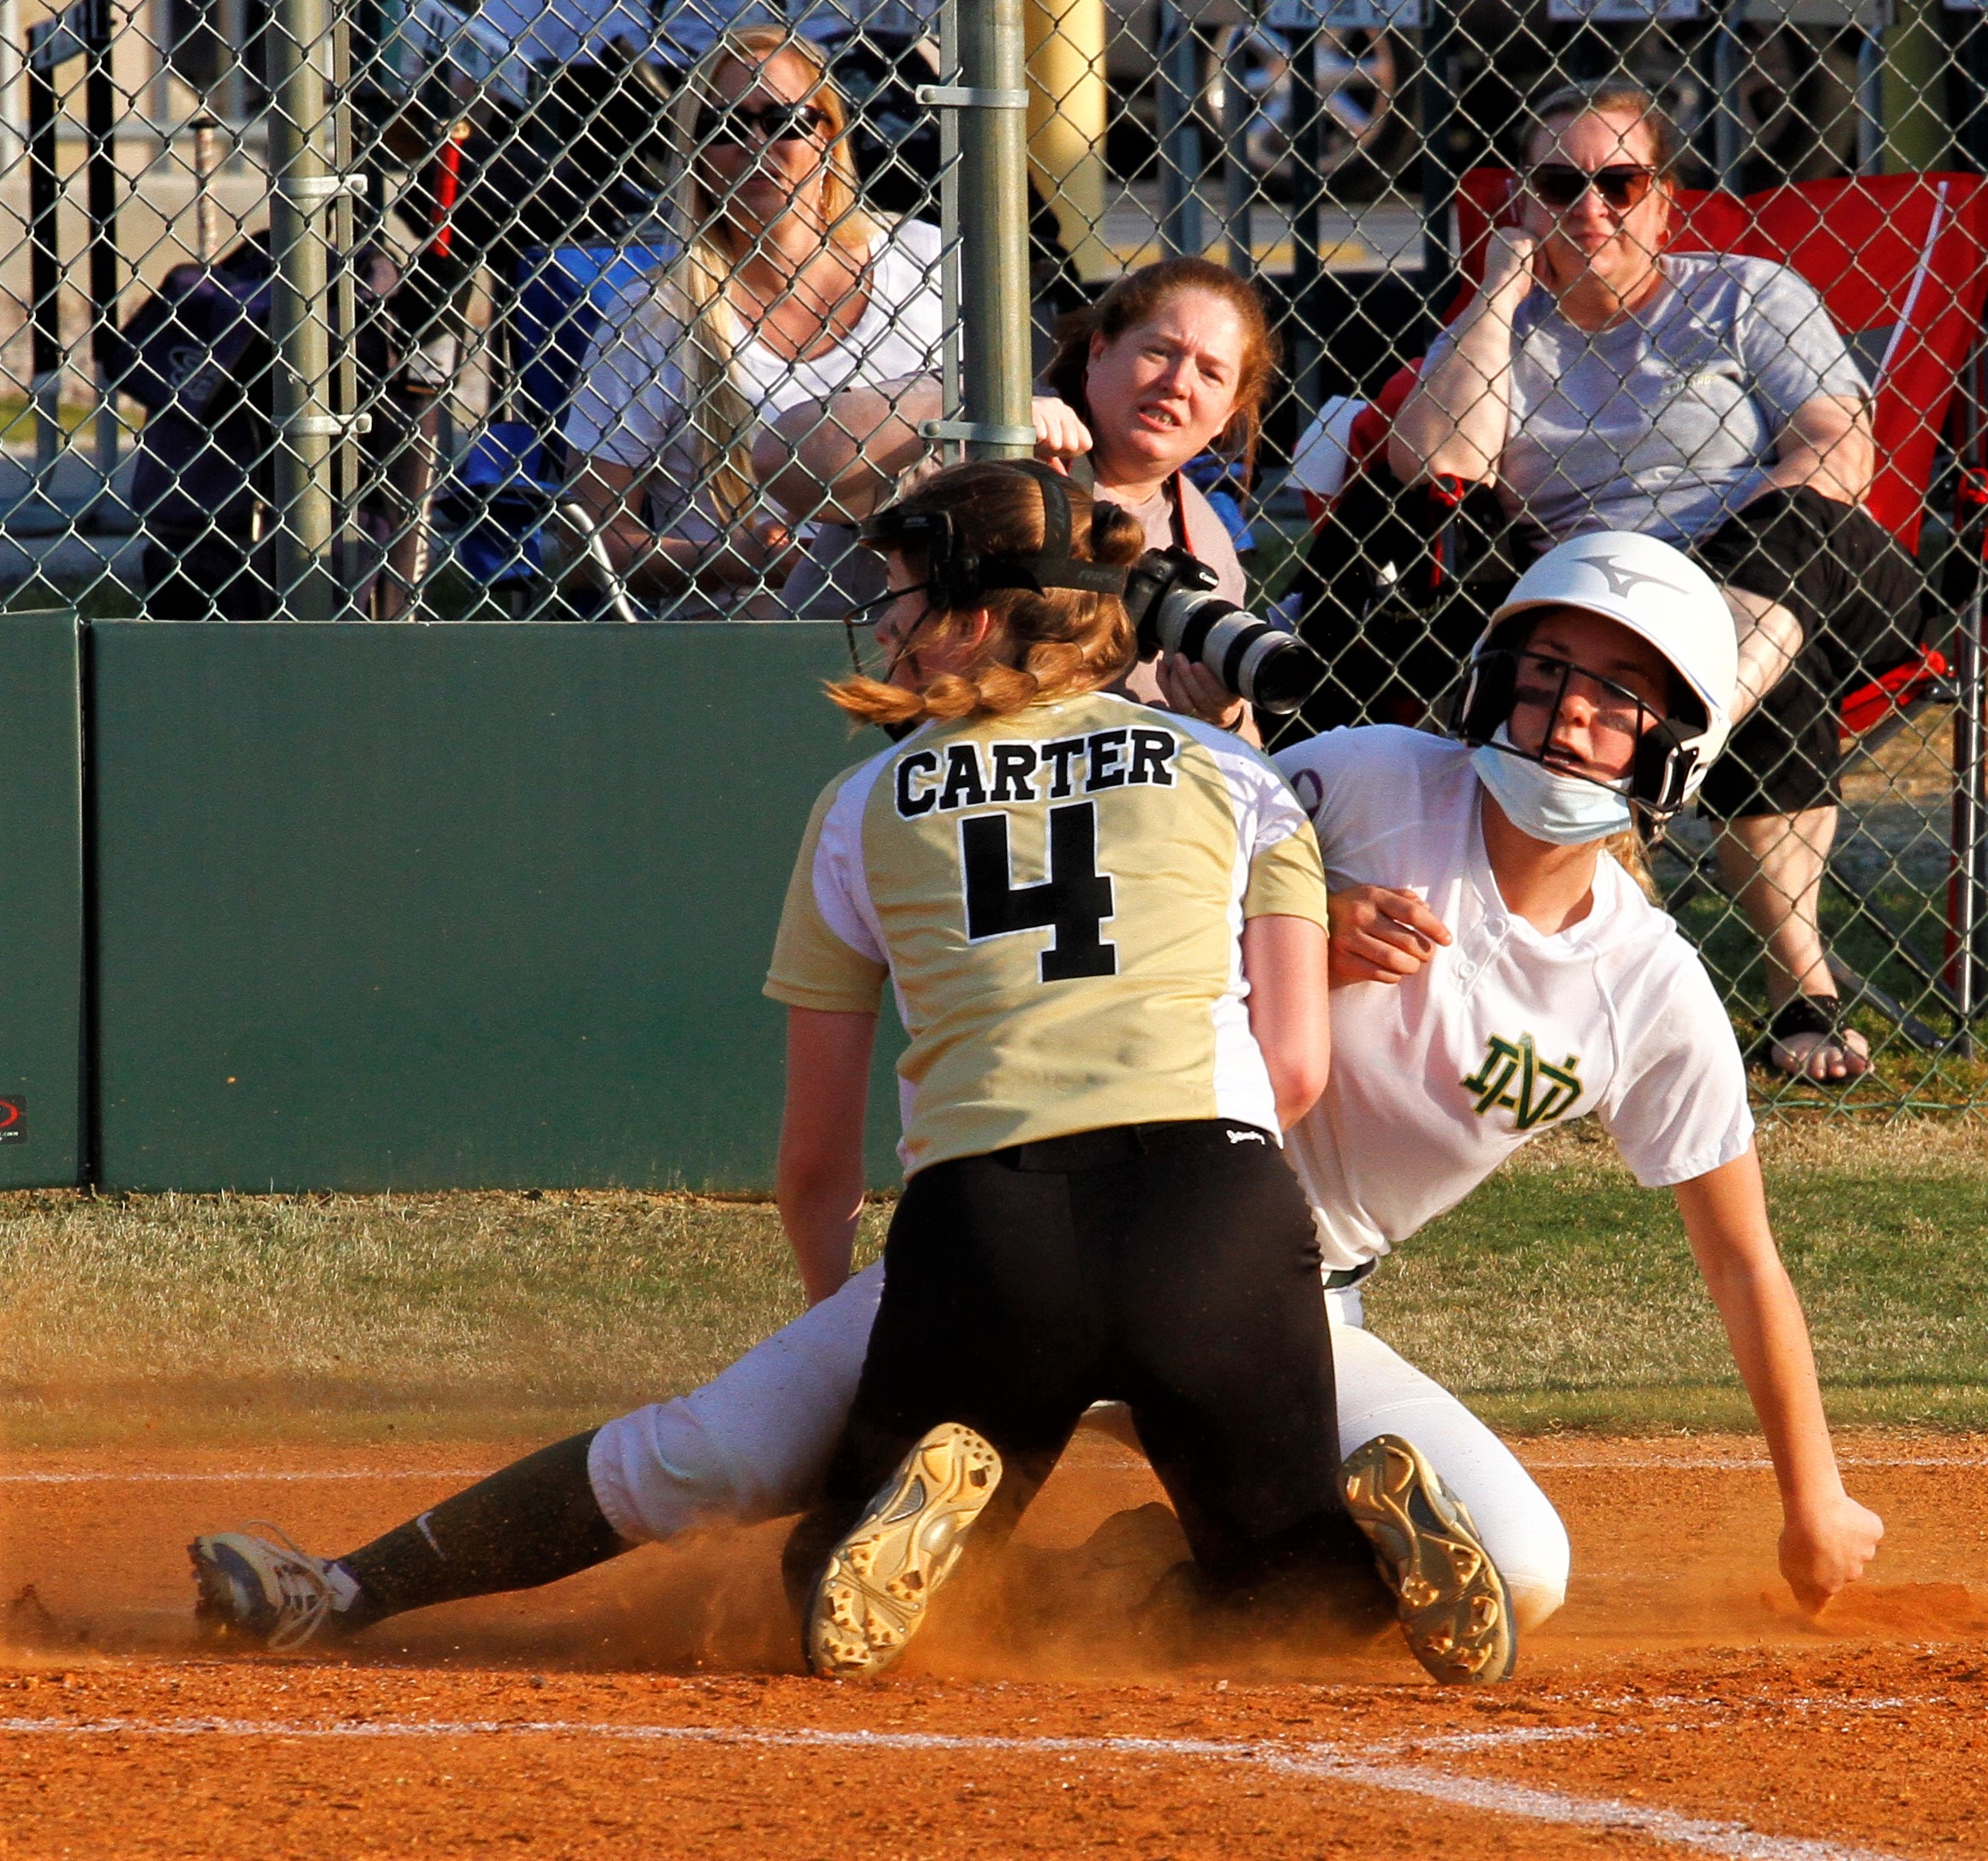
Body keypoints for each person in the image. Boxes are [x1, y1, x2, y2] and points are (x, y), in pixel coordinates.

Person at [189, 459, 1521, 1690]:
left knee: (824, 1583)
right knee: (1274, 1587)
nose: (884, 624)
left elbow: (816, 1156)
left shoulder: (864, 805)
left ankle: (832, 1528)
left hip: (988, 1219)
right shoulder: (1236, 775)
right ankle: (1345, 1547)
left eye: (901, 597)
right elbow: (1289, 1067)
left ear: (981, 615)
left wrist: (859, 1320)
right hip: (1213, 1204)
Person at [1273, 530, 1883, 1624]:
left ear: (1674, 748)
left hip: (1294, 1307)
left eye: (1615, 696)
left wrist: (1815, 1498)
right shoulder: (1366, 782)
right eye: (1545, 673)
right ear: (1495, 683)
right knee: (854, 1425)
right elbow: (1134, 905)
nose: (1566, 715)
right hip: (1108, 1209)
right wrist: (1290, 923)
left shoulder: (1645, 983)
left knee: (1516, 1574)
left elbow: (1742, 1261)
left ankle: (1174, 1556)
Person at [1385, 77, 1925, 1085]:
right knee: (1779, 664)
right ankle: (1796, 988)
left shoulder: (1743, 294)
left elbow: (1836, 448)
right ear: (1524, 203)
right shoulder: (1503, 334)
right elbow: (1437, 464)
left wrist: (1707, 592)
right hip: (1603, 608)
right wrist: (1501, 289)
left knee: (1789, 557)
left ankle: (1690, 718)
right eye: (1558, 184)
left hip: (1775, 555)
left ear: (1664, 197)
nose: (1589, 208)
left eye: (1618, 182)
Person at [752, 257, 1273, 727]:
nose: (1178, 383)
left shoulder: (1202, 539)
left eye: (1211, 374)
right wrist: (983, 418)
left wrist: (1222, 720)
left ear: (1228, 415)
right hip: (838, 741)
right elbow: (783, 463)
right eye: (1159, 352)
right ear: (1099, 350)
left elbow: (1251, 754)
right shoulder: (983, 427)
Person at [560, 28, 943, 605]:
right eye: (723, 125)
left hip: (924, 595)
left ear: (829, 137)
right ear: (694, 154)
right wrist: (733, 558)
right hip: (746, 619)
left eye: (784, 119)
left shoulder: (925, 261)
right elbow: (585, 543)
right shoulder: (654, 315)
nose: (755, 143)